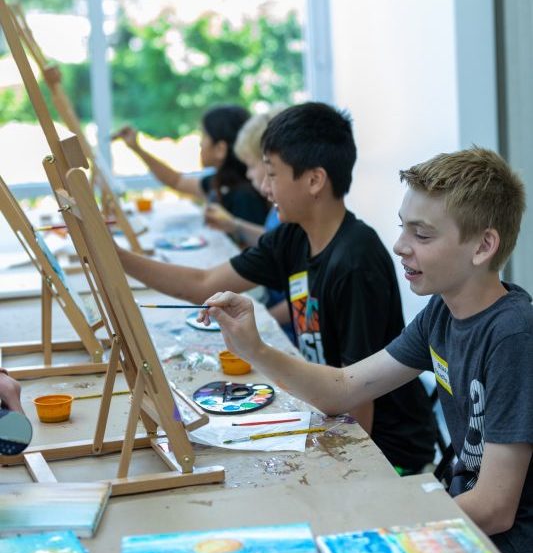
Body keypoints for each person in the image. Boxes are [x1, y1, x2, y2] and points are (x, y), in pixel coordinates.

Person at [201, 146, 533, 553]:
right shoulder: (441, 313)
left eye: (422, 235)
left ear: (483, 246)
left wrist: (380, 522)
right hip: (464, 517)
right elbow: (343, 388)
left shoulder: (512, 337)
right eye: (402, 227)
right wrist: (255, 350)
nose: (400, 246)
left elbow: (494, 508)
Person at [116, 102, 436, 474]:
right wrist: (114, 256)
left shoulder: (355, 261)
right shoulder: (293, 237)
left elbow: (358, 400)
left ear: (314, 180)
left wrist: (341, 477)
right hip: (330, 410)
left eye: (272, 174)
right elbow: (202, 283)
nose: (265, 189)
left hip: (387, 451)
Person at [204, 107, 293, 337]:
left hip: (285, 329)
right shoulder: (278, 208)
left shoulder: (293, 214)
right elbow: (272, 240)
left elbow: (302, 297)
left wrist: (261, 320)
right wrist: (235, 225)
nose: (249, 175)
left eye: (251, 166)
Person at [113, 104, 269, 225]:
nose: (200, 143)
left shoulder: (244, 197)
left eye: (204, 135)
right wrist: (137, 148)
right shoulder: (220, 182)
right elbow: (176, 181)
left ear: (220, 149)